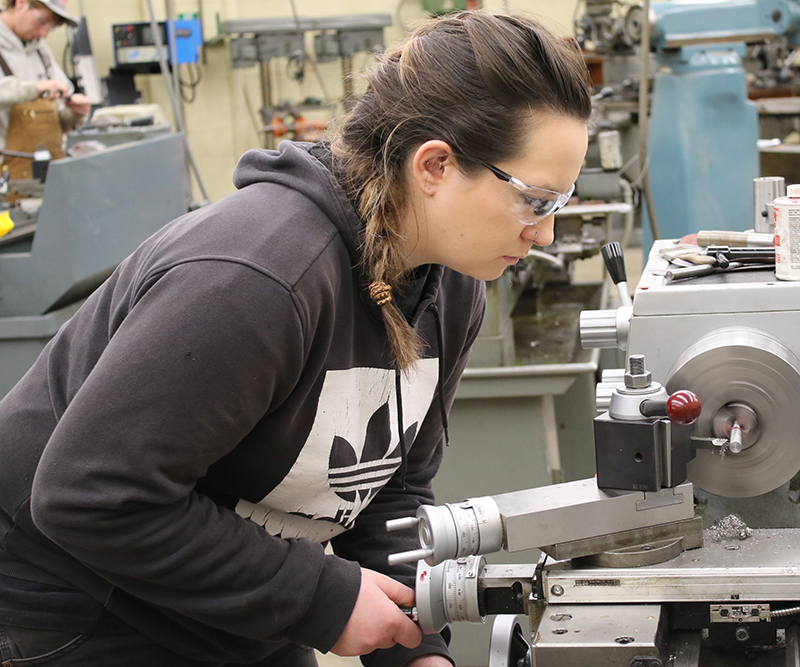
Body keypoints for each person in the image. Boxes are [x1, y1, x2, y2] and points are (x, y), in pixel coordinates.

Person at [0, 10, 591, 667]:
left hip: (226, 598)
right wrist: (322, 597)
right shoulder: (256, 279)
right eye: (536, 201)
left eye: (560, 205)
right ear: (434, 166)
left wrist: (416, 648)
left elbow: (387, 490)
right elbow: (90, 496)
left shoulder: (450, 288)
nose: (546, 236)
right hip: (78, 604)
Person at [0, 0, 90, 149]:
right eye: (42, 21)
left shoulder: (41, 53)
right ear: (21, 3)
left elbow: (57, 122)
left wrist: (75, 113)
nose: (44, 34)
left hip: (43, 165)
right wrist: (34, 89)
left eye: (52, 27)